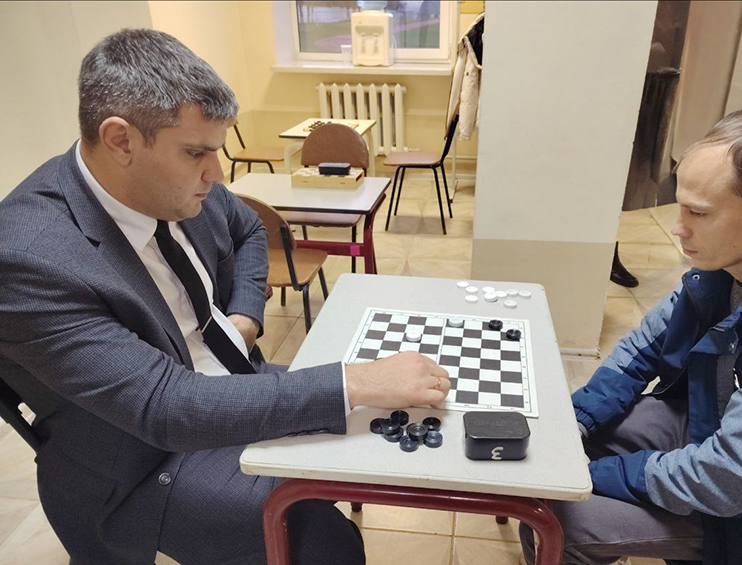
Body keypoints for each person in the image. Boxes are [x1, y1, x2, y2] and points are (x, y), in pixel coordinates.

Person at [0, 29, 451, 564]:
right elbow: (166, 407)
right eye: (196, 152)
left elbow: (250, 230)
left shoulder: (176, 186)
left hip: (228, 379)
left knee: (393, 427)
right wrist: (354, 381)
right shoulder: (29, 258)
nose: (216, 175)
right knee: (325, 544)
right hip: (141, 460)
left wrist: (245, 315)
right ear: (120, 140)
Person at [521, 108, 742, 565]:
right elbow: (645, 345)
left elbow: (735, 476)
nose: (678, 226)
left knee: (560, 522)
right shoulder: (740, 252)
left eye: (699, 212)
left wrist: (595, 476)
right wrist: (576, 420)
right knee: (555, 448)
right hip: (716, 424)